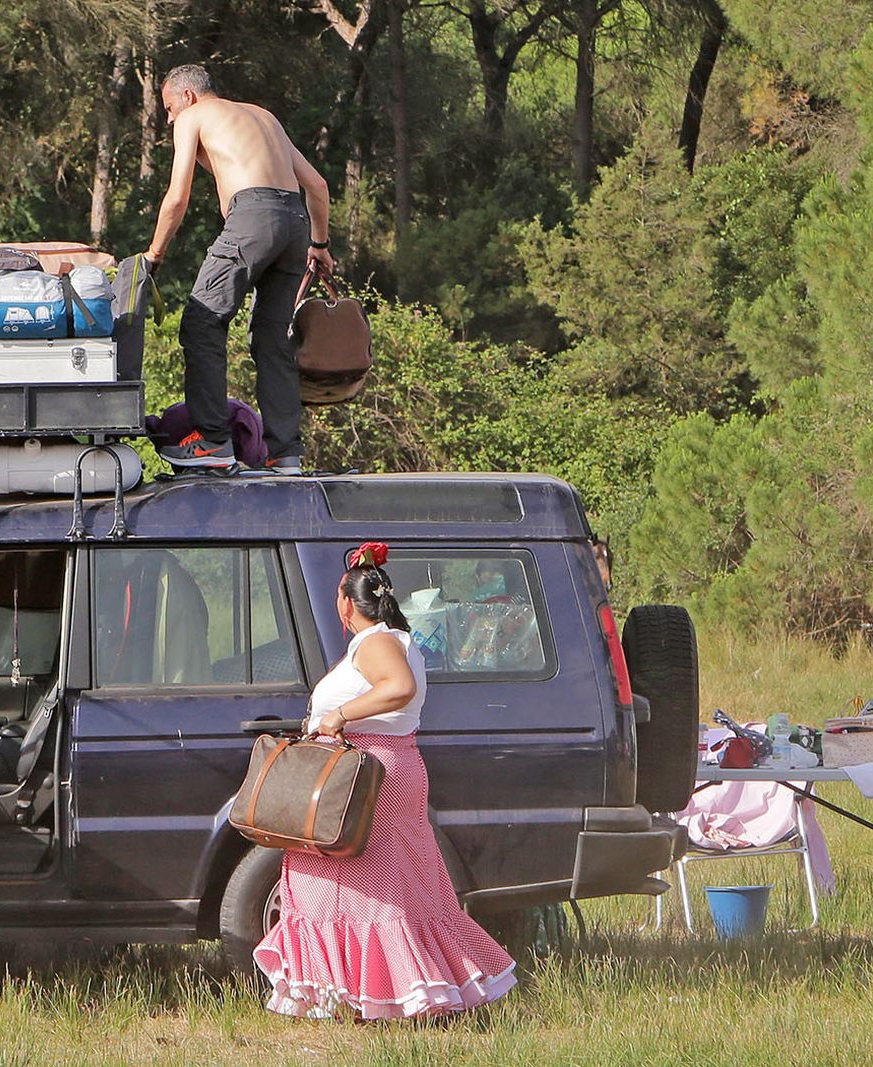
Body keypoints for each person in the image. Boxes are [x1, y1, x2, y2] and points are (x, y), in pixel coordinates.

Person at [253, 541, 516, 1020]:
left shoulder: (376, 642)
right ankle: (376, 994)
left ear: (346, 603)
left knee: (358, 887)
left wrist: (337, 716)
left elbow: (398, 688)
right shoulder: (395, 639)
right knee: (397, 886)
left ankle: (377, 995)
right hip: (386, 769)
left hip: (365, 776)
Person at [143, 63, 334, 474]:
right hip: (296, 224)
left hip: (253, 217)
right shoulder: (264, 117)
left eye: (168, 107)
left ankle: (212, 442)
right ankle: (286, 455)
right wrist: (319, 245)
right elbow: (316, 186)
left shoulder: (194, 116)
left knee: (201, 320)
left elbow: (177, 197)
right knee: (272, 340)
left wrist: (154, 255)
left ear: (188, 97)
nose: (169, 118)